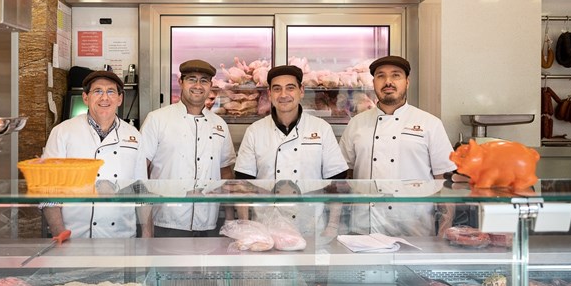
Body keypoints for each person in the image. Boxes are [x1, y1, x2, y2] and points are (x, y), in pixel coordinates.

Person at [338, 55, 457, 236]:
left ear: (407, 82)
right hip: (364, 226)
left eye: (396, 75)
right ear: (374, 82)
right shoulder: (356, 124)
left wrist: (443, 231)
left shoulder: (430, 123)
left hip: (415, 226)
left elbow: (444, 181)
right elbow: (346, 176)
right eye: (381, 76)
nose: (388, 82)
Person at [234, 65, 348, 238]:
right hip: (266, 229)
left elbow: (337, 184)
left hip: (310, 228)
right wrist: (246, 227)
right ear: (269, 93)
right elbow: (243, 186)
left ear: (301, 91)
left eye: (290, 88)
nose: (284, 95)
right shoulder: (255, 131)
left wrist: (332, 226)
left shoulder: (321, 129)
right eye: (277, 89)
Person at [42, 70, 151, 238]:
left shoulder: (134, 136)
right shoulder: (63, 132)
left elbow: (140, 189)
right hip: (74, 238)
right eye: (98, 91)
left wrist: (147, 233)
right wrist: (60, 233)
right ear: (86, 98)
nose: (104, 98)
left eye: (111, 92)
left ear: (120, 99)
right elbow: (48, 190)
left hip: (121, 237)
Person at [140, 59, 236, 236]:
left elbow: (226, 174)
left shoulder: (219, 124)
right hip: (166, 221)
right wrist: (146, 226)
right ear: (180, 82)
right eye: (192, 79)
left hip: (208, 222)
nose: (198, 85)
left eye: (204, 80)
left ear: (210, 86)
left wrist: (230, 219)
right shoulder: (157, 119)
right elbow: (140, 172)